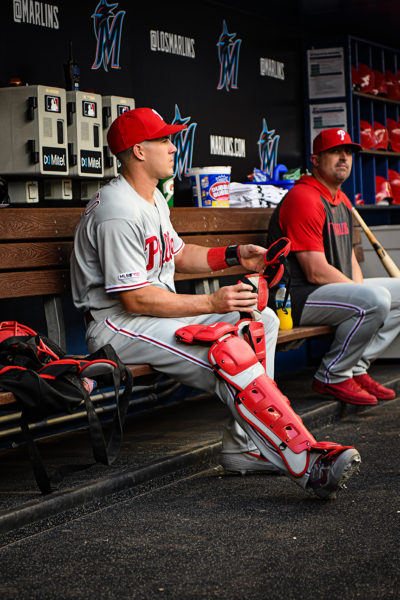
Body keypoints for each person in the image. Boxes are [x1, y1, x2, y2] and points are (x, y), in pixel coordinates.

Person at [70, 108, 361, 500]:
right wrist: (211, 300)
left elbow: (177, 254)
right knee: (227, 352)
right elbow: (134, 298)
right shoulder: (116, 210)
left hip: (149, 316)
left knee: (261, 319)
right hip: (115, 325)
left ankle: (245, 445)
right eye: (163, 140)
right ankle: (303, 459)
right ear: (139, 151)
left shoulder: (151, 196)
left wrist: (237, 255)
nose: (173, 147)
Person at [267, 127, 400, 405]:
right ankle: (333, 374)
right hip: (296, 299)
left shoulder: (340, 198)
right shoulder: (305, 197)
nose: (344, 158)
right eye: (335, 152)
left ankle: (356, 367)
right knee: (375, 299)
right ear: (315, 160)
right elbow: (314, 270)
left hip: (326, 291)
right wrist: (364, 297)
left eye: (348, 152)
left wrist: (360, 289)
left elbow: (349, 256)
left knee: (393, 293)